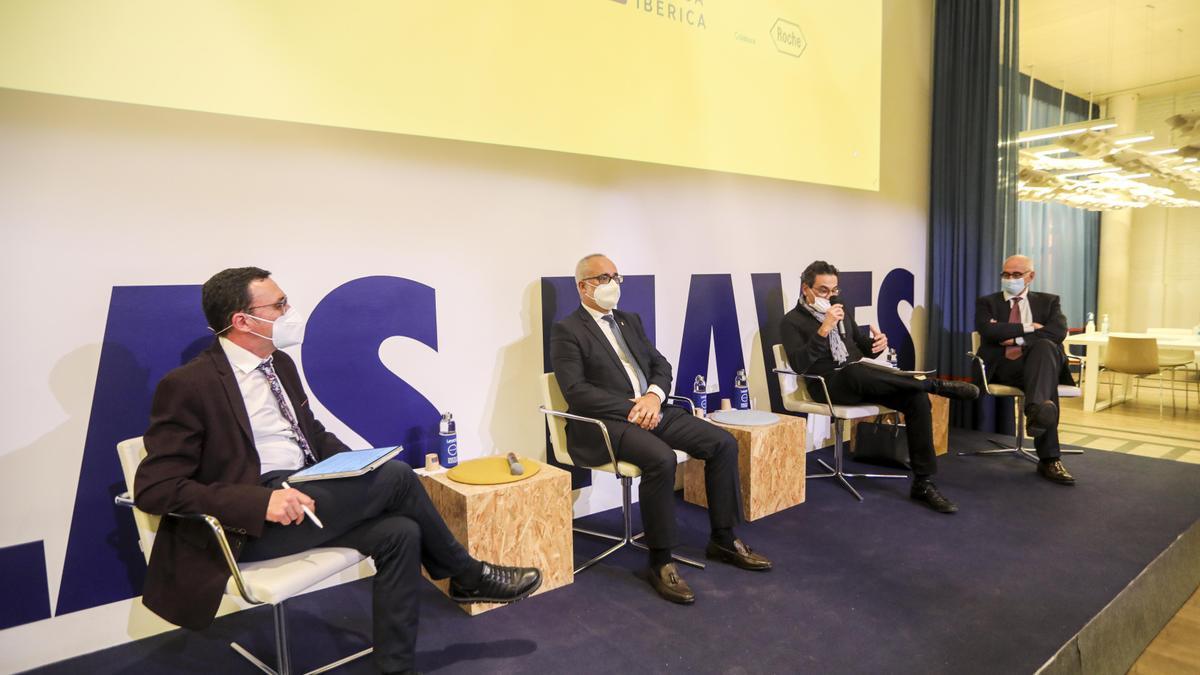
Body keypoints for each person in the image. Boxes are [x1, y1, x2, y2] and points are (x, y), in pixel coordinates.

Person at [134, 267, 540, 675]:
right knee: (399, 477)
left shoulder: (281, 365)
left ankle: (396, 667)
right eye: (278, 305)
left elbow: (311, 434)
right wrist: (260, 502)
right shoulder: (189, 384)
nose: (290, 312)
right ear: (242, 320)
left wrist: (356, 468)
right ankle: (467, 575)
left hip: (307, 495)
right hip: (250, 523)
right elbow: (156, 488)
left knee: (401, 532)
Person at [550, 254, 771, 605]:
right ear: (583, 286)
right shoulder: (568, 331)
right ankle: (661, 560)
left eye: (616, 277)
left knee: (722, 443)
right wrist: (633, 408)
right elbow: (576, 392)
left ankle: (723, 538)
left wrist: (653, 396)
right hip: (606, 423)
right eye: (604, 278)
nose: (613, 284)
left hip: (653, 409)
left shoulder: (628, 320)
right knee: (662, 459)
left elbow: (660, 364)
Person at [779, 260, 979, 513]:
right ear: (805, 288)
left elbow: (859, 347)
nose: (830, 296)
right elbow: (799, 364)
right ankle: (933, 384)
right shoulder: (791, 322)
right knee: (856, 371)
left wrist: (877, 345)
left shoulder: (841, 309)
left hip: (860, 377)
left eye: (834, 290)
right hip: (828, 385)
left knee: (916, 400)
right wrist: (824, 329)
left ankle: (923, 482)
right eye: (822, 290)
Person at [975, 255, 1077, 485]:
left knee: (1044, 349)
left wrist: (1016, 340)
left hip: (1038, 365)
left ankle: (1036, 411)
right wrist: (1030, 327)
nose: (1010, 278)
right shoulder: (987, 303)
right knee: (1044, 376)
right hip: (1004, 367)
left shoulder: (1049, 302)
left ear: (1031, 276)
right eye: (1006, 274)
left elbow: (1057, 332)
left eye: (1017, 274)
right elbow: (988, 332)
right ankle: (1049, 456)